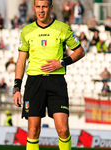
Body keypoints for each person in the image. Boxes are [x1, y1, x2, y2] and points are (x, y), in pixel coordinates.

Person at [13, 1, 85, 150]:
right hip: (34, 83)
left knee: (63, 129)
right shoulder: (26, 31)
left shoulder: (62, 28)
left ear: (50, 8)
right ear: (34, 8)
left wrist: (61, 63)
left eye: (44, 7)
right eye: (38, 7)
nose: (41, 10)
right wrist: (17, 88)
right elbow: (21, 61)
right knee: (33, 130)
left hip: (56, 82)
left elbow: (80, 51)